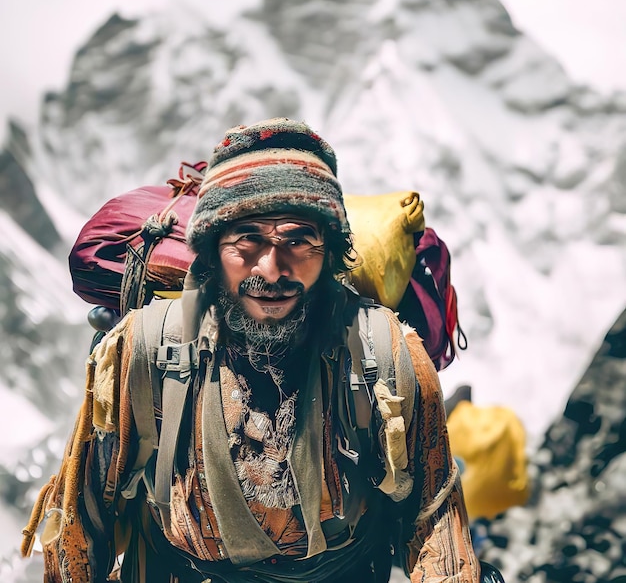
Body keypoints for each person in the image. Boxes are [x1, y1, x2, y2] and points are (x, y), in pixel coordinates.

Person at [23, 118, 481, 582]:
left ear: (331, 250)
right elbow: (81, 527)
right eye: (247, 239)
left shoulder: (384, 351)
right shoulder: (143, 349)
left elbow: (435, 522)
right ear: (211, 250)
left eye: (299, 239)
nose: (272, 266)